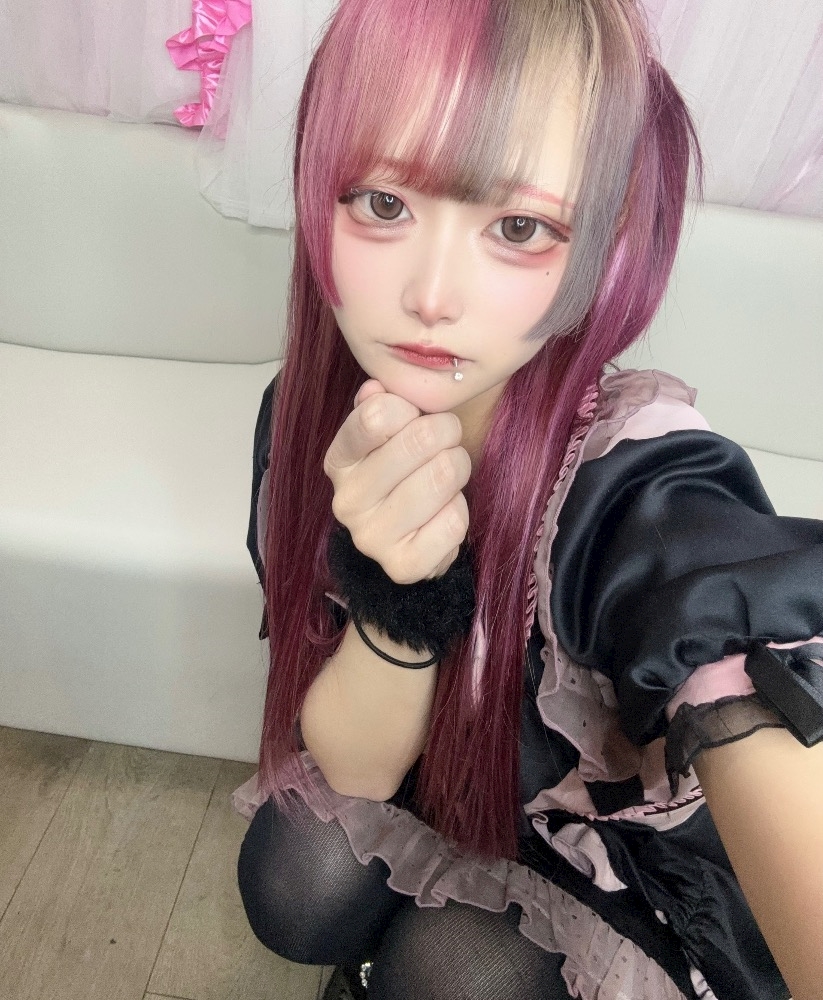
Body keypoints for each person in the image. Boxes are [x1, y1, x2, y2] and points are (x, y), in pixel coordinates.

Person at [231, 1, 823, 997]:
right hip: (437, 778)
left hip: (610, 862)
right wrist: (398, 589)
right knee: (296, 877)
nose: (430, 294)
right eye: (382, 202)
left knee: (450, 974)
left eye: (517, 227)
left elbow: (725, 646)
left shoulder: (629, 479)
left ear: (600, 240)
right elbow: (360, 771)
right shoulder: (307, 418)